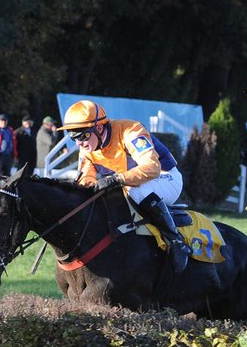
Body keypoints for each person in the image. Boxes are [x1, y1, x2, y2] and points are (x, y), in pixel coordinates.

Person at [57, 99, 191, 273]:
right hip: (130, 185)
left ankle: (176, 243)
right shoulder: (87, 149)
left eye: (82, 136)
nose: (79, 143)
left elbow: (152, 168)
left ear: (98, 128)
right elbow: (85, 182)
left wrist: (116, 179)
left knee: (136, 190)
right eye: (73, 137)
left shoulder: (131, 131)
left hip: (166, 178)